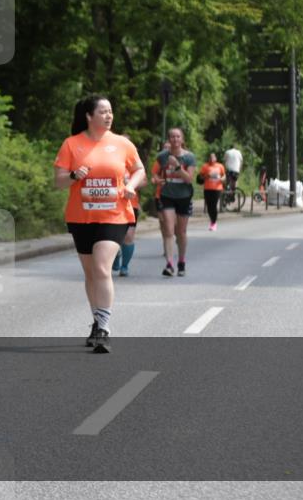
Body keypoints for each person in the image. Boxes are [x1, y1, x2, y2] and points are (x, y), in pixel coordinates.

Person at [54, 96, 144, 354]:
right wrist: (73, 176)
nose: (108, 116)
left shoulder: (122, 144)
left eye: (110, 112)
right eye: (103, 112)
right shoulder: (72, 144)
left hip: (114, 215)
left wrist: (130, 185)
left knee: (102, 267)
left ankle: (104, 327)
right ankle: (96, 320)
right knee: (91, 272)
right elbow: (58, 181)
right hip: (81, 217)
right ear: (88, 116)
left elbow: (140, 170)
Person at [153, 128, 197, 277]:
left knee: (181, 233)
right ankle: (169, 264)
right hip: (167, 195)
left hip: (184, 196)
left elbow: (189, 179)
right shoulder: (162, 156)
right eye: (172, 137)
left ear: (182, 139)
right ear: (169, 139)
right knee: (168, 230)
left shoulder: (189, 157)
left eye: (178, 137)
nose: (175, 139)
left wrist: (177, 166)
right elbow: (155, 175)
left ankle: (181, 262)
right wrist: (157, 180)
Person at [112, 167, 140, 277]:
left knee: (128, 236)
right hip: (112, 204)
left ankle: (124, 266)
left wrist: (131, 183)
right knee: (113, 236)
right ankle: (115, 254)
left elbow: (144, 181)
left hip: (131, 205)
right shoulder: (109, 160)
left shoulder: (134, 164)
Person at [199, 152, 226, 231]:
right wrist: (206, 176)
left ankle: (213, 223)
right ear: (208, 159)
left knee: (214, 205)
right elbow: (200, 177)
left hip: (217, 188)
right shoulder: (205, 166)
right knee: (209, 206)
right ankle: (212, 220)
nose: (212, 159)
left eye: (213, 157)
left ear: (216, 158)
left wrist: (222, 179)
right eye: (210, 158)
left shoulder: (220, 166)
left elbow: (224, 175)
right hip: (207, 188)